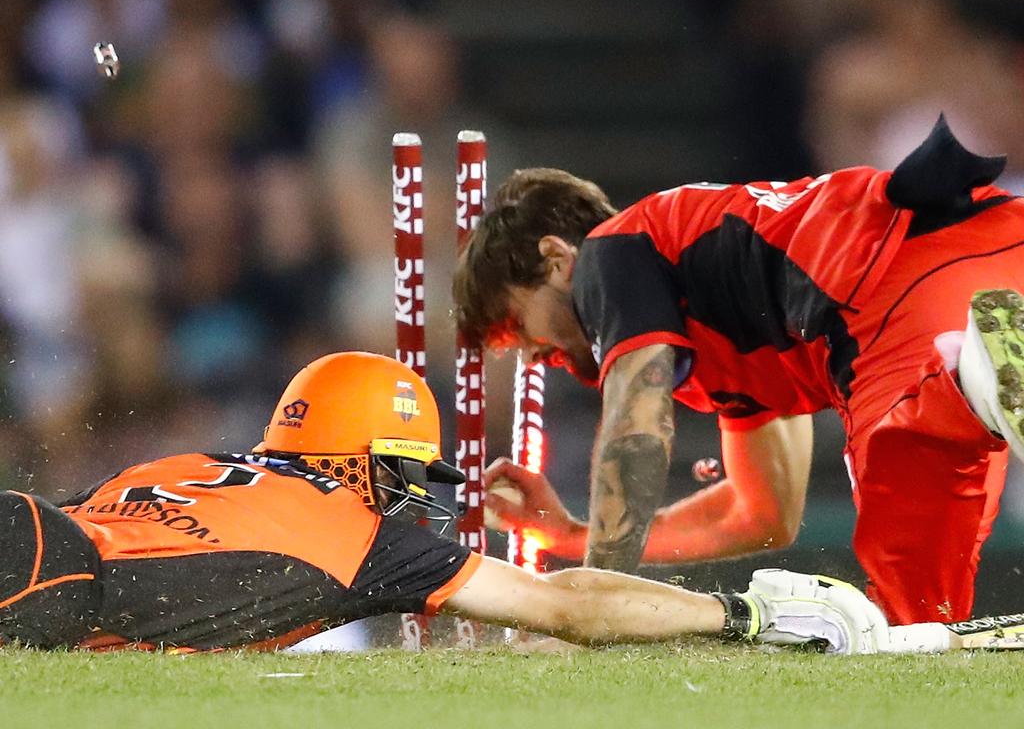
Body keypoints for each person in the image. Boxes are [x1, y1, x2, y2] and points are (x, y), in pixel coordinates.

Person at [453, 115, 1024, 625]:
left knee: (909, 489)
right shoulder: (716, 305)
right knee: (922, 620)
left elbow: (636, 433)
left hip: (897, 287)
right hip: (995, 245)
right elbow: (761, 515)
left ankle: (965, 387)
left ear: (556, 259)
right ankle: (971, 380)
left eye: (516, 326)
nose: (532, 356)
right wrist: (571, 535)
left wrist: (588, 605)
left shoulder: (610, 252)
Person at [0, 351, 888, 654]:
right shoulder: (359, 536)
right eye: (402, 473)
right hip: (55, 583)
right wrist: (734, 613)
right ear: (363, 458)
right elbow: (566, 605)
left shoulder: (182, 461)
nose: (410, 500)